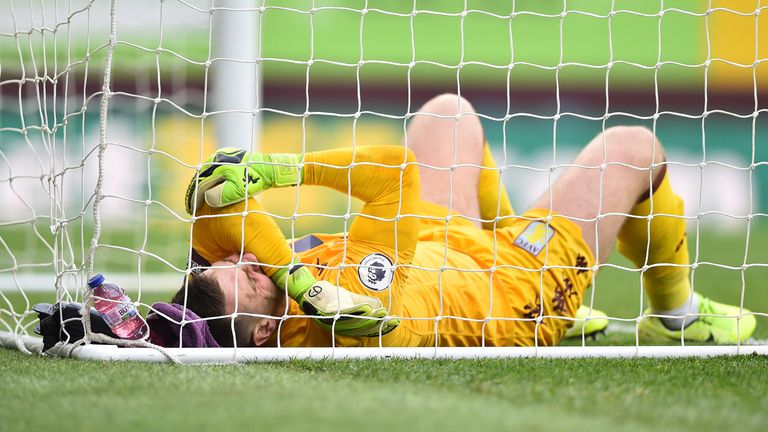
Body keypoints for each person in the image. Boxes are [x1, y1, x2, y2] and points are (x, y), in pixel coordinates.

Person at [171, 94, 756, 348]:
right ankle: (676, 316)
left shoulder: (260, 289)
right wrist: (279, 170)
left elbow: (212, 203)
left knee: (447, 114)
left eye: (230, 261)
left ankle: (503, 232)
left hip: (432, 242)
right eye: (245, 278)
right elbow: (391, 173)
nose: (245, 258)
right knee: (633, 146)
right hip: (510, 292)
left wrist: (270, 272)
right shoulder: (348, 311)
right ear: (268, 333)